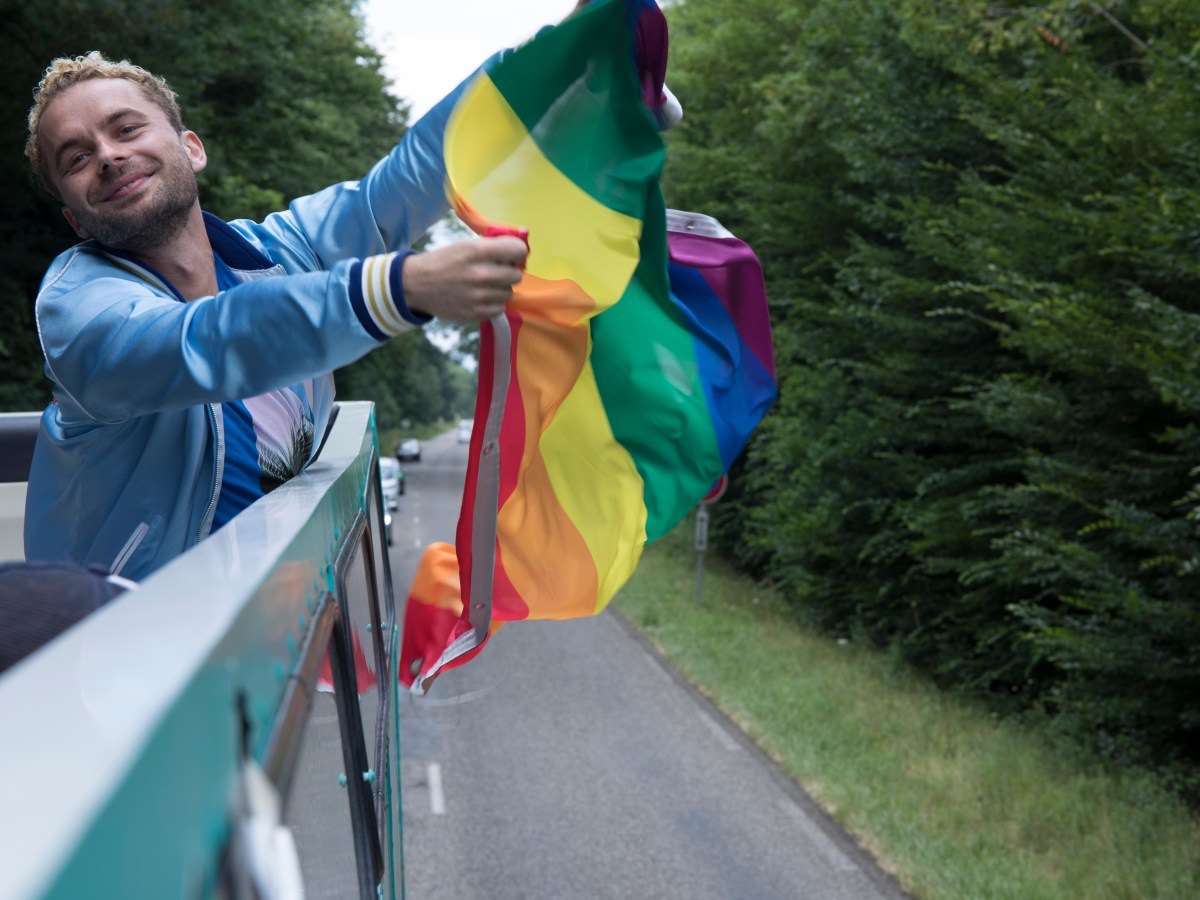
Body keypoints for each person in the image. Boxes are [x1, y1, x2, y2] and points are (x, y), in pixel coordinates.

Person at [21, 49, 530, 581]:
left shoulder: (277, 252)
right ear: (74, 218)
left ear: (191, 148)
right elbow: (206, 342)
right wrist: (398, 288)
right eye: (76, 158)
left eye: (126, 128)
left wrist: (552, 58)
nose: (107, 155)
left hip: (284, 633)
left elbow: (408, 180)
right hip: (141, 645)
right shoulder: (76, 305)